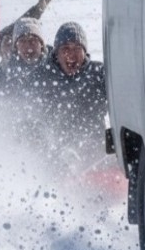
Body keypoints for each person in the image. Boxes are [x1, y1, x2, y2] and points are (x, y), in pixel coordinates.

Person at [29, 21, 108, 158]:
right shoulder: (42, 77)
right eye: (65, 48)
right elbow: (27, 112)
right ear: (56, 54)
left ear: (84, 52)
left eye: (77, 48)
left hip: (96, 156)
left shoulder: (98, 74)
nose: (71, 54)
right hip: (56, 156)